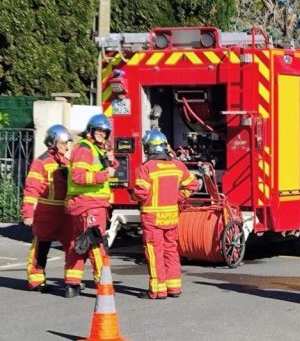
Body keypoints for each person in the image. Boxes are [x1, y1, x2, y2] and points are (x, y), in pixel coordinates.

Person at [131, 130, 198, 299]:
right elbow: (193, 185)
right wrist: (177, 197)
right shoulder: (177, 165)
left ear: (149, 148)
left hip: (152, 218)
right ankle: (174, 287)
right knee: (171, 251)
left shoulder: (146, 168)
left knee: (154, 253)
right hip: (171, 217)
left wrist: (131, 194)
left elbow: (141, 193)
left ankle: (158, 290)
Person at [63, 114, 118, 298]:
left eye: (105, 131)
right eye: (99, 130)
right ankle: (103, 285)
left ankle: (72, 283)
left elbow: (103, 165)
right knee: (95, 243)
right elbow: (79, 176)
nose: (102, 134)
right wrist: (105, 175)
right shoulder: (85, 149)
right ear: (91, 130)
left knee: (79, 243)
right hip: (90, 204)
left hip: (85, 204)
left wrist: (110, 161)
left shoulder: (94, 148)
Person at [21, 125, 73, 292]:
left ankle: (72, 280)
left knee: (72, 247)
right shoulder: (41, 162)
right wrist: (28, 213)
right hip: (46, 209)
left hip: (65, 211)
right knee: (41, 245)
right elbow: (31, 189)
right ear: (55, 142)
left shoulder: (67, 163)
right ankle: (36, 280)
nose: (67, 146)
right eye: (64, 143)